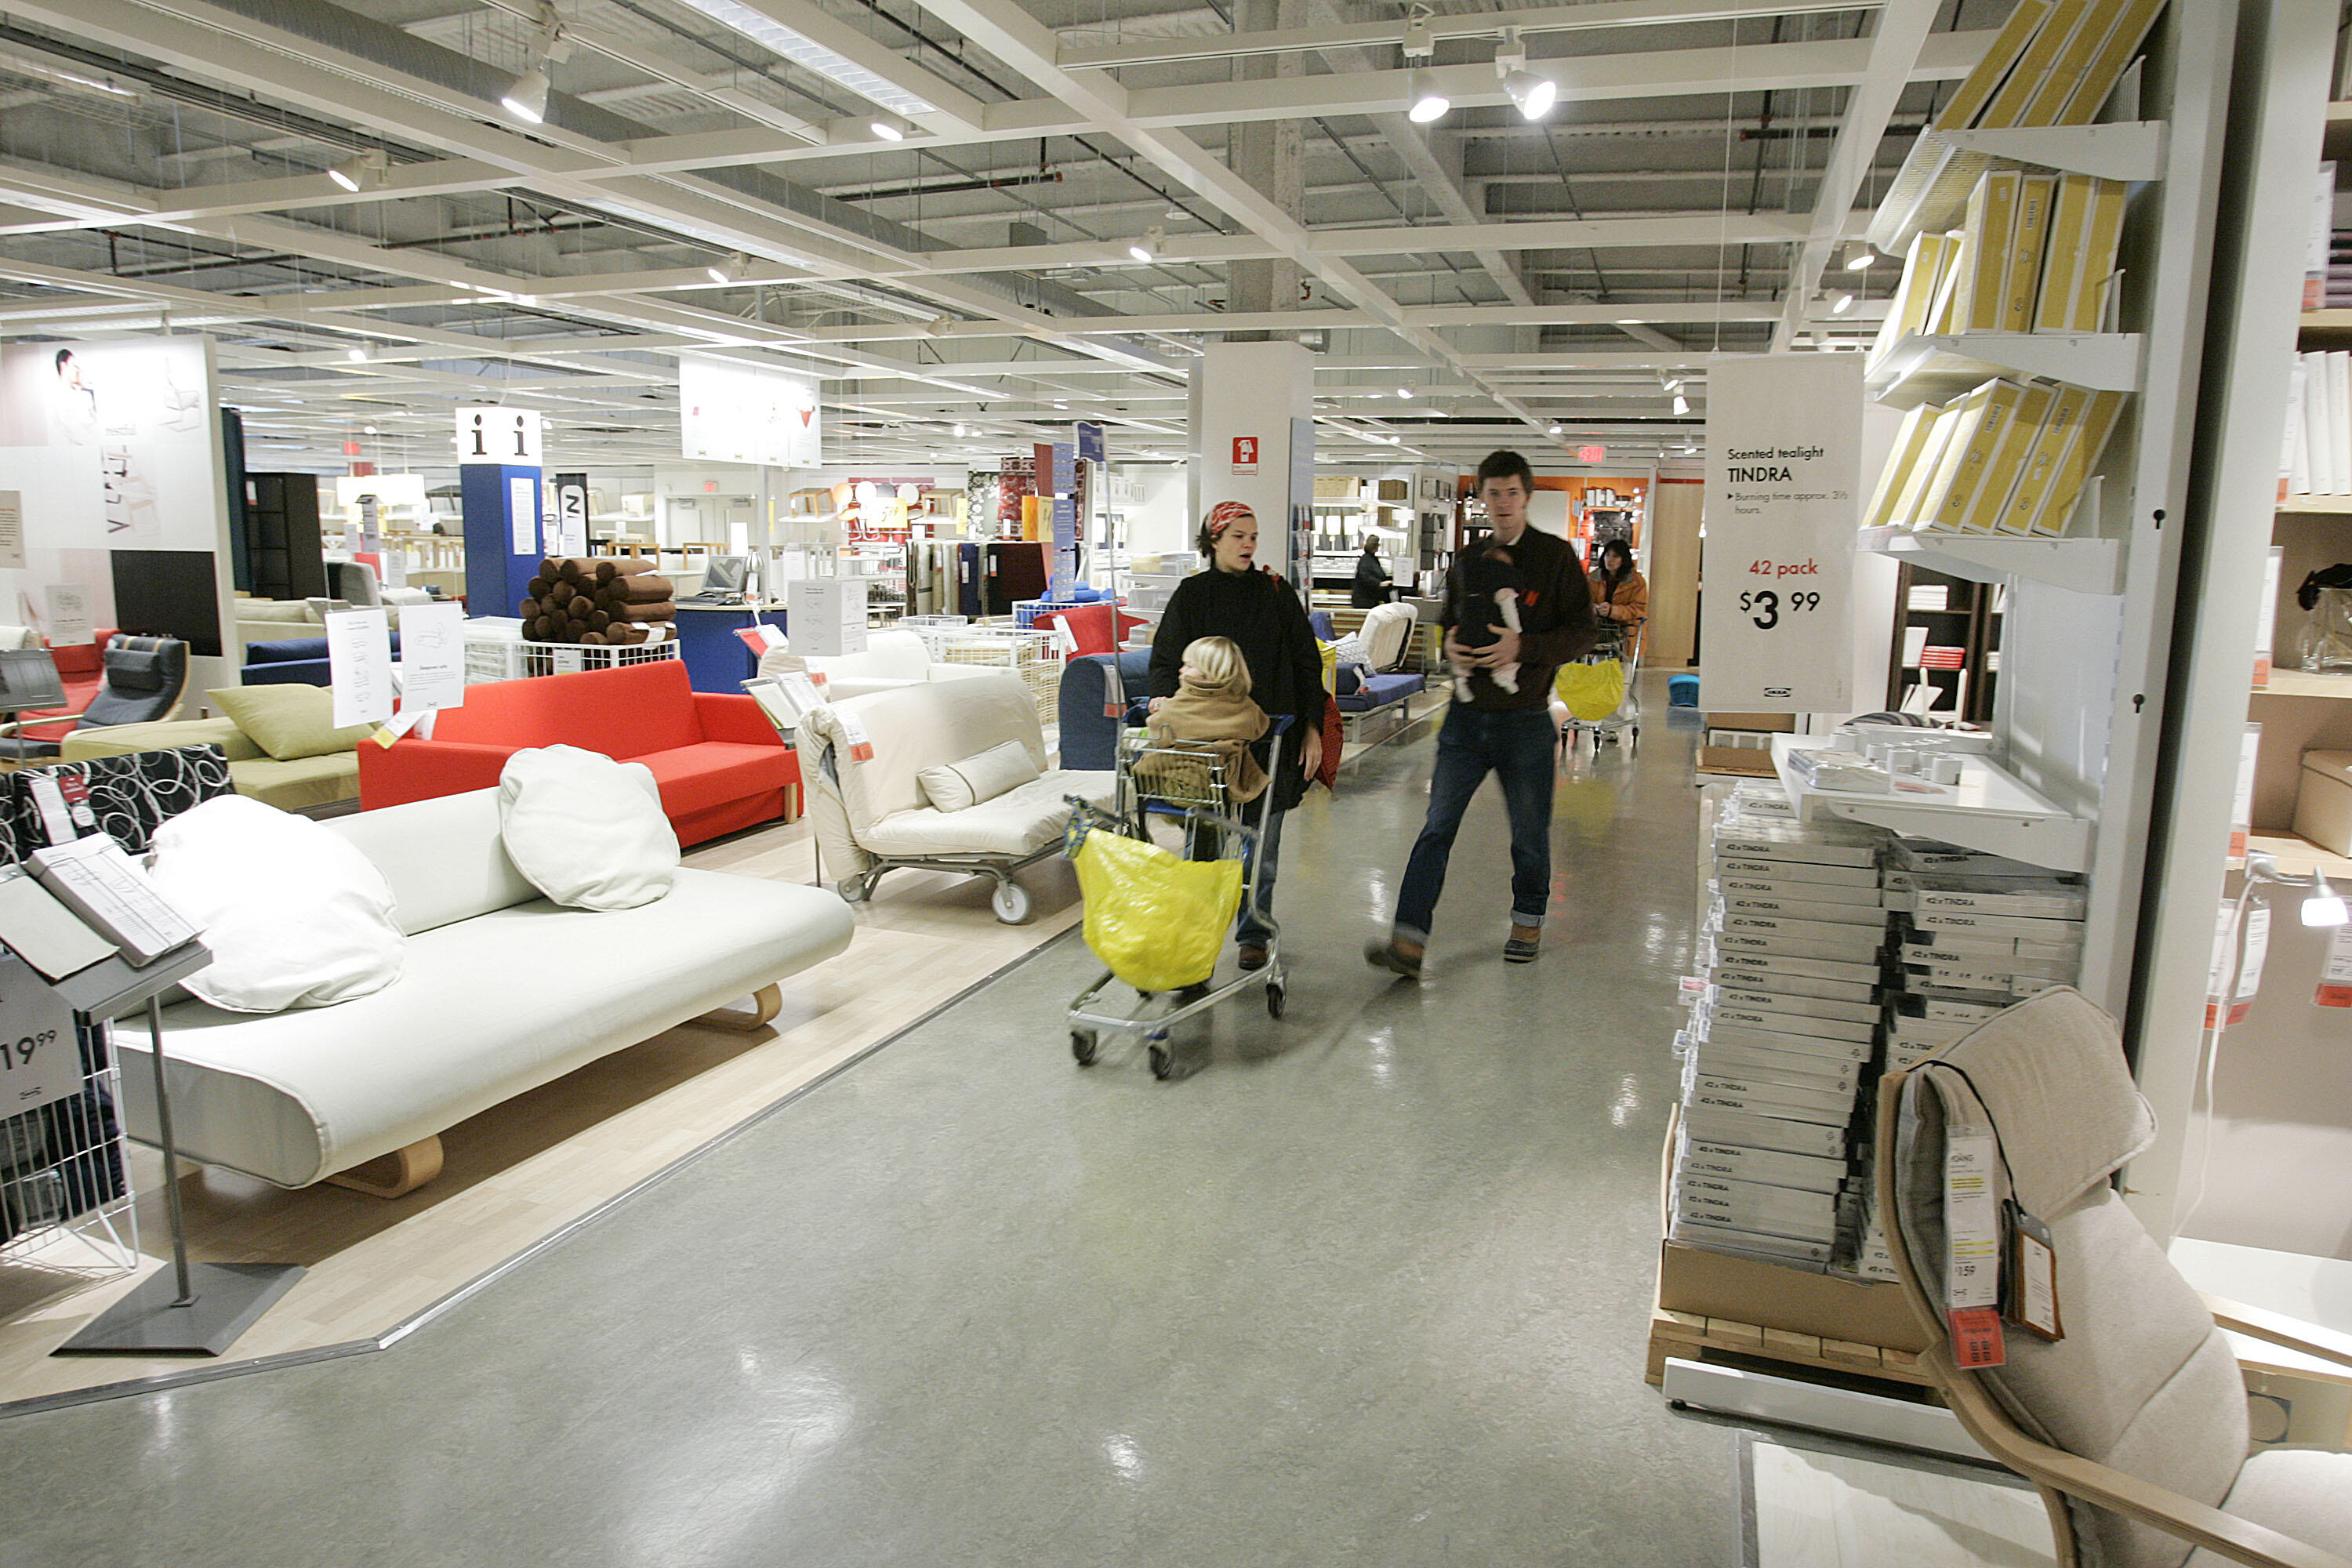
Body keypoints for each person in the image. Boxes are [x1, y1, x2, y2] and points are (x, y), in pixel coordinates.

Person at [1367, 451, 1595, 979]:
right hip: (1466, 720)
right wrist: (1451, 644)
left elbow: (1582, 632)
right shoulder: (1468, 559)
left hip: (1526, 719)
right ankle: (1408, 940)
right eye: (1494, 494)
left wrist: (1524, 647)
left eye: (1512, 493)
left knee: (1529, 831)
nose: (1504, 504)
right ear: (1483, 499)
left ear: (1527, 496)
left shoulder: (1556, 558)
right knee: (1437, 826)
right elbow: (1451, 620)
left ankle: (1528, 919)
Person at [1149, 502, 1327, 971]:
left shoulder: (1276, 592)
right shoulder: (1192, 595)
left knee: (1261, 845)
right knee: (1202, 844)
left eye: (1253, 536)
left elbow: (1306, 663)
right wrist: (1161, 700)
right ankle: (1199, 933)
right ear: (1213, 541)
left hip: (1273, 738)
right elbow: (1165, 660)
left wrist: (1312, 728)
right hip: (1205, 746)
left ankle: (1254, 931)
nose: (1249, 545)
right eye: (1238, 536)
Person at [1134, 636, 1270, 806]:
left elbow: (1159, 738)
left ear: (1208, 672)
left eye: (1189, 666)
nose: (1181, 670)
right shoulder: (1244, 705)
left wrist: (1160, 708)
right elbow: (1260, 727)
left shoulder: (1179, 705)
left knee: (1140, 767)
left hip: (1180, 780)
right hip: (1225, 779)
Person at [1447, 539, 1523, 699]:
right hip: (1492, 636)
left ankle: (1461, 682)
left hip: (1465, 635)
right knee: (1512, 659)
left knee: (1461, 661)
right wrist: (1517, 632)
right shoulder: (1503, 588)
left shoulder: (1469, 587)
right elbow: (1510, 613)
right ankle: (1503, 677)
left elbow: (1454, 613)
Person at [1589, 538, 1650, 659]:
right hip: (1598, 631)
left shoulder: (1637, 582)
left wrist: (1613, 611)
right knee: (1598, 667)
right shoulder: (1592, 579)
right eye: (1607, 555)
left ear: (1624, 560)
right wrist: (1595, 608)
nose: (1610, 560)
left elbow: (1639, 609)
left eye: (1615, 556)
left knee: (1621, 669)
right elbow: (1584, 602)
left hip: (1625, 633)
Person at [1349, 537, 1393, 608]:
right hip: (1366, 599)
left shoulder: (1368, 558)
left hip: (1365, 598)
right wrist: (1380, 583)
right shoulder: (1368, 559)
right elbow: (1365, 577)